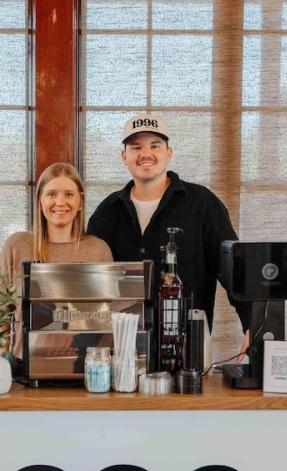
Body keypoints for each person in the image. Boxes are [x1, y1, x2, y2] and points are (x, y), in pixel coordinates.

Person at [86, 113, 252, 359]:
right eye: (136, 147)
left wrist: (253, 330)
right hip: (121, 355)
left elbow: (235, 272)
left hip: (188, 352)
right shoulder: (106, 213)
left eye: (155, 146)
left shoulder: (203, 204)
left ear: (169, 153)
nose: (146, 154)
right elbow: (89, 284)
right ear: (124, 156)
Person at [0, 162, 113, 359]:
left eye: (69, 194)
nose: (60, 202)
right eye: (51, 194)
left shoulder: (98, 250)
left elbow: (108, 317)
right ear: (40, 200)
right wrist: (2, 359)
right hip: (24, 370)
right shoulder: (17, 245)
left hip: (86, 369)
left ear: (80, 201)